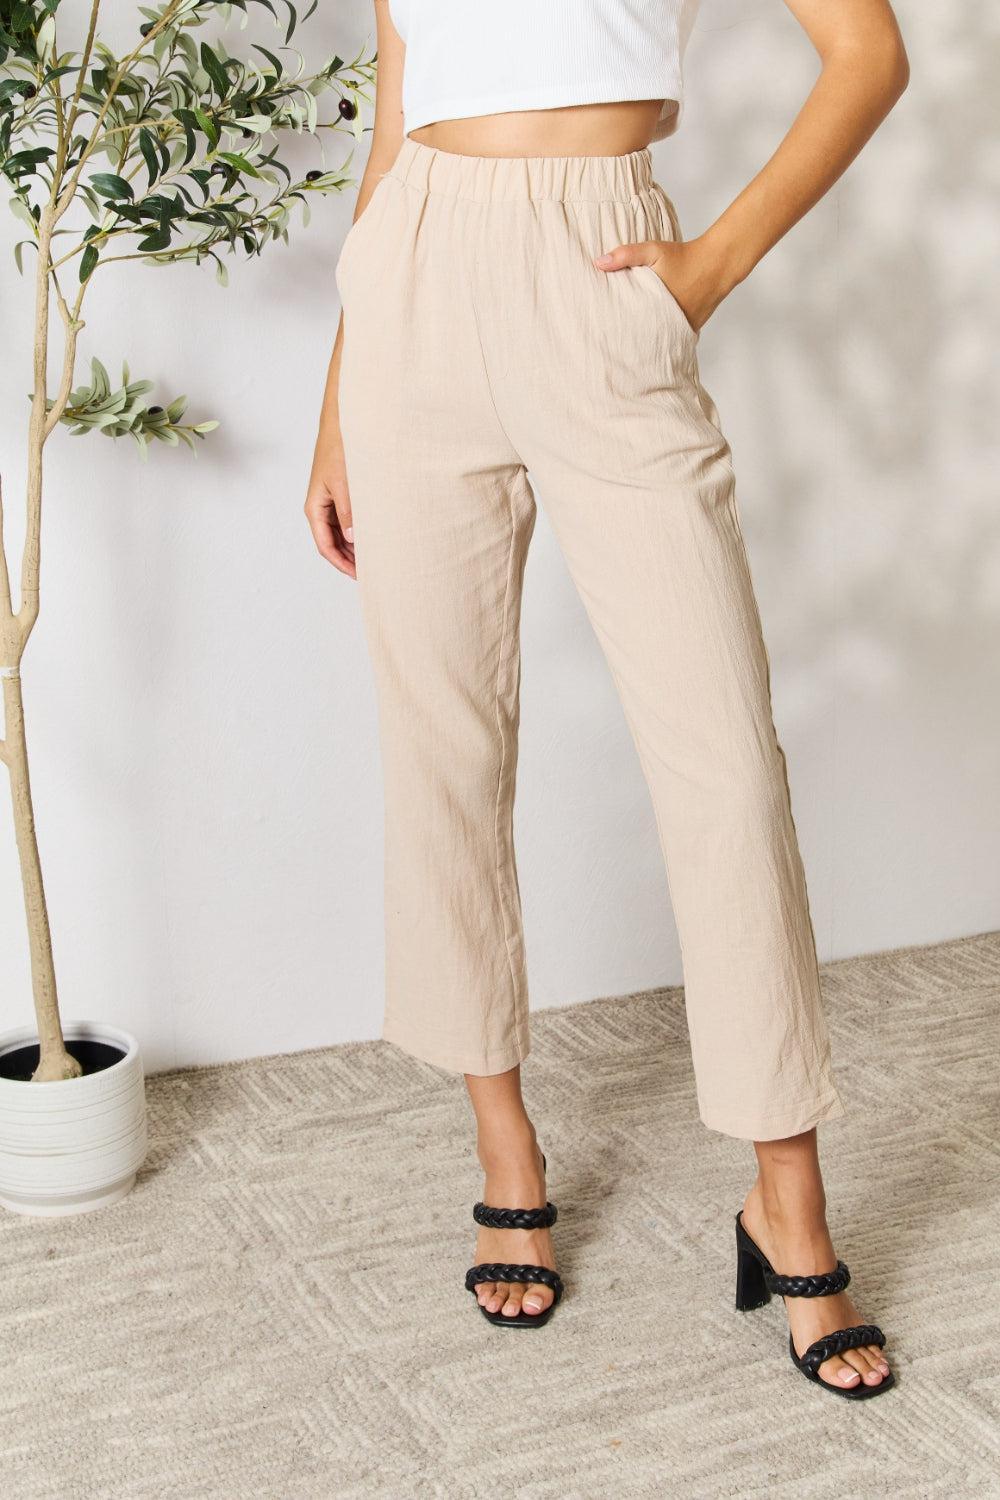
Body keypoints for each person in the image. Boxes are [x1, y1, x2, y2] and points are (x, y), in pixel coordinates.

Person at [305, 0, 908, 1398]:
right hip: (411, 292)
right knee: (441, 746)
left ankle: (789, 1206)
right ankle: (505, 1150)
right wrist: (341, 395)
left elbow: (870, 54)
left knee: (727, 772)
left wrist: (704, 271)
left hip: (600, 268)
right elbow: (399, 118)